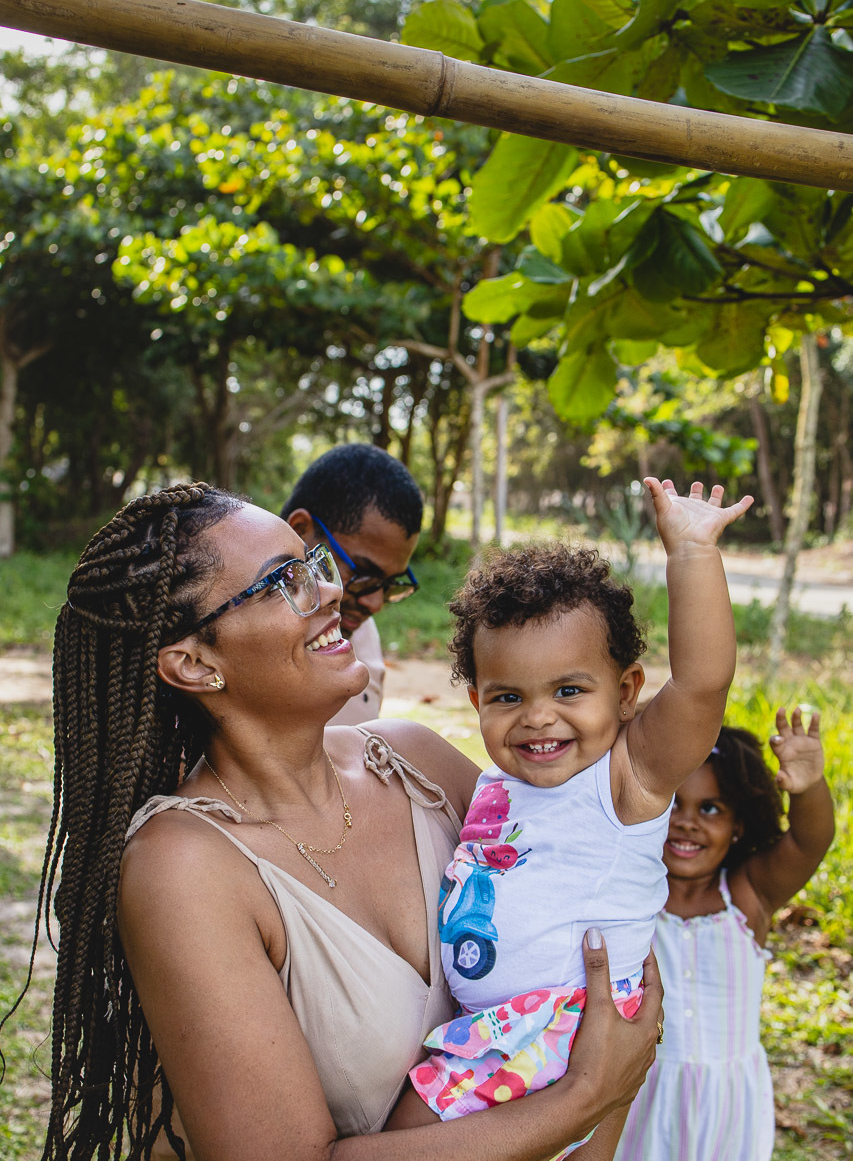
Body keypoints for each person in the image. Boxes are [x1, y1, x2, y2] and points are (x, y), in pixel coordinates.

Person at [13, 482, 663, 1161]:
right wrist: (585, 1097)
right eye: (281, 582)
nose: (330, 592)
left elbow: (611, 948)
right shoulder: (183, 867)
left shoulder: (417, 763)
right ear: (194, 663)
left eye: (313, 564)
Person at [388, 477, 752, 1158]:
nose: (537, 716)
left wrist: (693, 553)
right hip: (496, 1027)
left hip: (559, 1031)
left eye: (568, 689)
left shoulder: (624, 779)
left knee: (403, 1141)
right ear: (475, 699)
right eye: (506, 696)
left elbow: (703, 684)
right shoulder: (499, 781)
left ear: (626, 692)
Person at [613, 711, 834, 1161]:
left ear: (739, 824)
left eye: (710, 808)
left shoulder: (749, 895)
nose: (687, 822)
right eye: (672, 802)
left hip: (730, 1098)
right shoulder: (627, 896)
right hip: (640, 1089)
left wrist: (809, 786)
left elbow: (810, 842)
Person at [281, 443, 422, 724]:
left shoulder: (360, 631)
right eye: (364, 575)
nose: (375, 603)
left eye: (390, 584)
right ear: (299, 531)